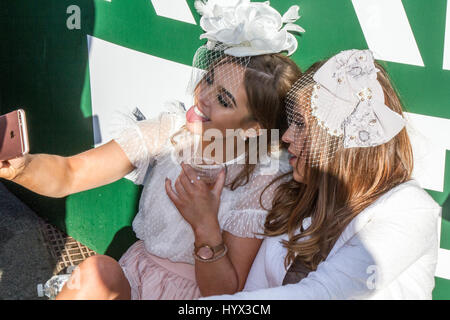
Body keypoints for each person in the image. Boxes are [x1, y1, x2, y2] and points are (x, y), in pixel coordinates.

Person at [0, 0, 303, 299]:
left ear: (253, 129)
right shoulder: (169, 132)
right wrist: (21, 167)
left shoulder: (261, 180)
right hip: (135, 280)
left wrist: (205, 225)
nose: (203, 96)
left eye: (224, 100)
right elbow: (71, 174)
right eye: (208, 79)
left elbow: (224, 293)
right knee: (95, 273)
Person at [204, 49, 441, 300]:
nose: (286, 136)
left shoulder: (410, 211)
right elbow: (255, 291)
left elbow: (322, 293)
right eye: (290, 122)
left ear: (340, 139)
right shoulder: (299, 197)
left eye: (302, 124)